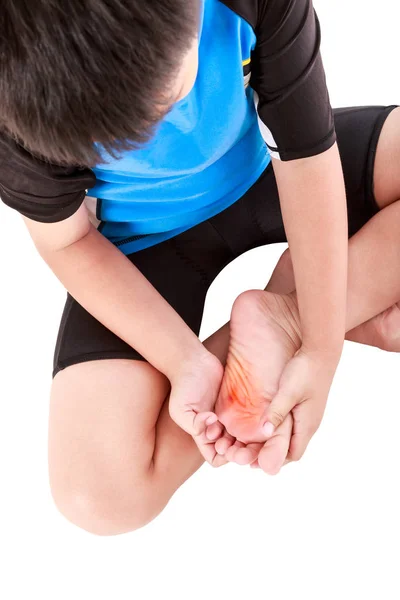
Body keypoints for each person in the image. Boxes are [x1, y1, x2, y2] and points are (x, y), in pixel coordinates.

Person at [0, 0, 399, 536]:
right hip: (140, 247)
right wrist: (186, 361)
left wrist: (320, 346)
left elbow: (305, 154)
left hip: (270, 175)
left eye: (167, 94)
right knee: (97, 495)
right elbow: (68, 241)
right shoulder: (15, 99)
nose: (166, 124)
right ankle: (306, 314)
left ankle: (292, 317)